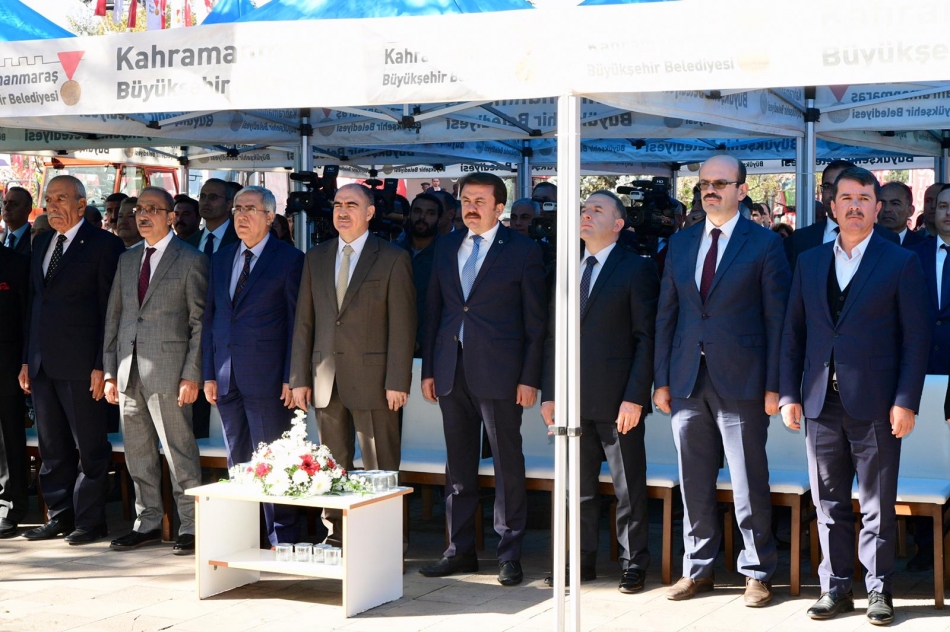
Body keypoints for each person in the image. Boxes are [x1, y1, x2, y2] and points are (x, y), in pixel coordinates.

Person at [779, 167, 931, 625]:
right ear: (832, 206)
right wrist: (788, 394)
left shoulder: (900, 261)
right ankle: (836, 588)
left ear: (877, 208)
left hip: (878, 404)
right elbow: (793, 333)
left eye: (864, 199)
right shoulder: (809, 261)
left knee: (877, 504)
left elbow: (916, 339)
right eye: (846, 198)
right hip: (818, 402)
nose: (855, 206)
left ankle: (879, 589)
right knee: (827, 503)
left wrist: (906, 401)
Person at [654, 155, 789, 607]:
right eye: (704, 184)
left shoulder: (765, 244)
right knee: (693, 480)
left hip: (744, 381)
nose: (709, 190)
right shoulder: (681, 242)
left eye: (719, 183)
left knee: (748, 480)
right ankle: (697, 569)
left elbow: (777, 321)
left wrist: (774, 385)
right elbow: (666, 315)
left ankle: (757, 572)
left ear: (742, 190)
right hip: (687, 379)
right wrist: (661, 379)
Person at [418, 172, 547, 587]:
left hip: (502, 374)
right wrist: (430, 368)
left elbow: (535, 322)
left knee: (507, 464)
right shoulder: (446, 246)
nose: (470, 208)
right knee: (458, 467)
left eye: (479, 201)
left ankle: (509, 554)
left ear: (499, 207)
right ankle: (459, 551)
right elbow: (434, 312)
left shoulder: (523, 250)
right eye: (465, 200)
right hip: (451, 370)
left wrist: (529, 378)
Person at [540, 191, 659, 594]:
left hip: (618, 400)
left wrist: (636, 397)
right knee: (576, 487)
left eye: (597, 210)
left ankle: (633, 562)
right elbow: (553, 337)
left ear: (619, 224)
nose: (586, 214)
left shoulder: (636, 268)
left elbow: (646, 338)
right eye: (583, 209)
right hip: (571, 400)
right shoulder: (565, 267)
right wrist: (550, 393)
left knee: (628, 487)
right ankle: (579, 560)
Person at [290, 184, 416, 546]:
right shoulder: (315, 257)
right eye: (337, 205)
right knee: (332, 463)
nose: (342, 211)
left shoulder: (392, 258)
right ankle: (337, 534)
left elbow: (403, 326)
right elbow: (304, 323)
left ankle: (385, 539)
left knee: (380, 465)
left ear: (370, 213)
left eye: (352, 205)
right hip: (326, 379)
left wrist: (398, 380)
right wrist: (299, 377)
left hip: (376, 382)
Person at [19, 175, 125, 545]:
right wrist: (26, 359)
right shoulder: (42, 242)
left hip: (83, 364)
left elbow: (109, 309)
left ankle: (90, 521)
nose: (52, 206)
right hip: (42, 362)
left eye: (61, 199)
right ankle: (60, 515)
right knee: (52, 448)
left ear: (81, 204)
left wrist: (101, 364)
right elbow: (35, 304)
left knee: (90, 448)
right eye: (49, 199)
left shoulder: (104, 245)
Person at [103, 187, 206, 555]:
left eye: (151, 209)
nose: (142, 215)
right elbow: (115, 318)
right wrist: (110, 371)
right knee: (138, 453)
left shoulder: (191, 259)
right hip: (128, 371)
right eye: (138, 209)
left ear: (171, 216)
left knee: (179, 453)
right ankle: (146, 521)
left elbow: (199, 323)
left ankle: (191, 524)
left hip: (170, 373)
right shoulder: (127, 259)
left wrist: (191, 374)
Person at [204, 186, 306, 546]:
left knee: (274, 458)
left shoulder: (289, 259)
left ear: (270, 217)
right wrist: (208, 374)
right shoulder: (221, 258)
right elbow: (212, 318)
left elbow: (296, 324)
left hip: (268, 378)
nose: (241, 215)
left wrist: (291, 376)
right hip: (226, 375)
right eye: (237, 209)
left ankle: (282, 536)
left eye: (250, 209)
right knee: (239, 460)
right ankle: (246, 534)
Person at [784, 161, 898, 269]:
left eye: (843, 188)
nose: (833, 193)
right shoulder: (799, 239)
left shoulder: (887, 238)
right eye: (828, 187)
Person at [0, 245, 29, 537]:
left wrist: (25, 362)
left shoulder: (16, 264)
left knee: (8, 439)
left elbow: (25, 319)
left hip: (6, 366)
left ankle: (10, 505)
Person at [400, 193, 442, 356]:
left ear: (439, 219)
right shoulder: (394, 251)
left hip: (432, 348)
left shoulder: (448, 255)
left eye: (430, 213)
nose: (422, 217)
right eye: (417, 211)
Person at [186, 178, 239, 255]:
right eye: (202, 196)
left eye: (213, 197)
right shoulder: (189, 243)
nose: (205, 202)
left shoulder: (240, 239)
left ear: (229, 204)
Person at [878, 182, 926, 248]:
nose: (887, 209)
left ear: (910, 211)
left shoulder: (923, 246)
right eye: (882, 204)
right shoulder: (866, 241)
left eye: (895, 204)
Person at [2, 187, 33, 256]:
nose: (6, 208)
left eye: (14, 204)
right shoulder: (2, 237)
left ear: (28, 210)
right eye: (5, 203)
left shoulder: (36, 240)